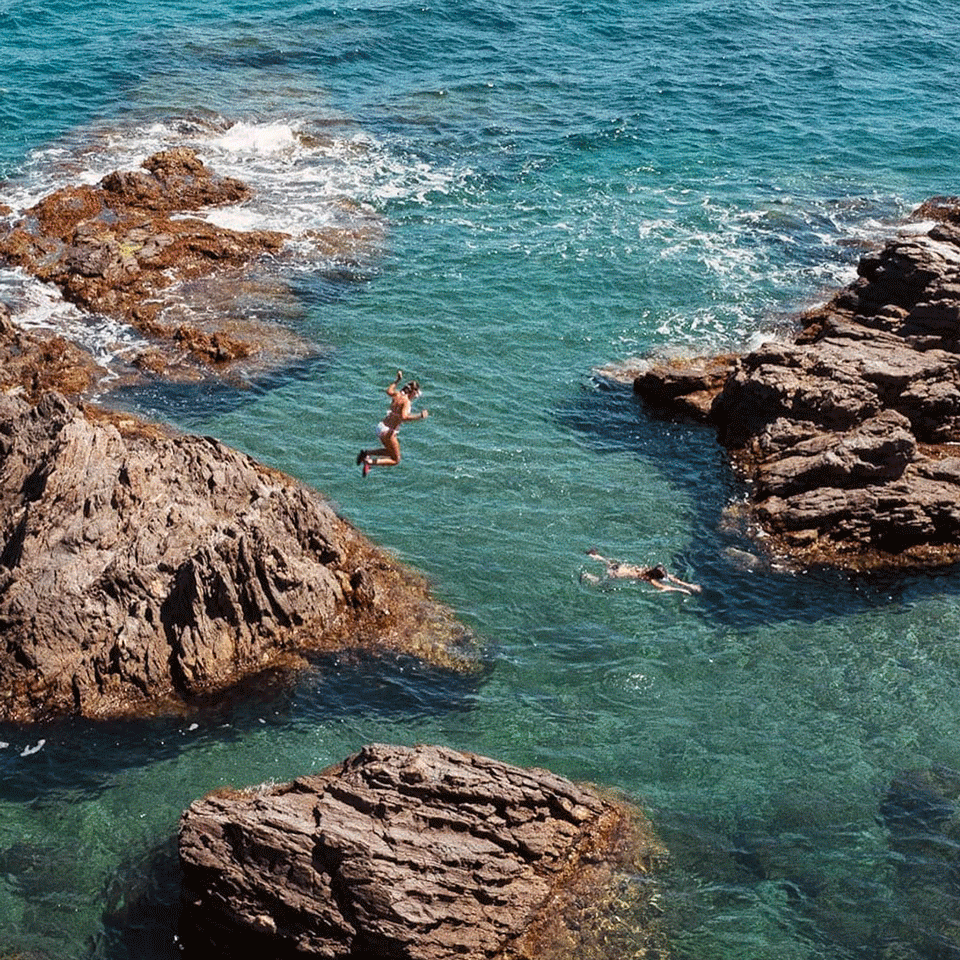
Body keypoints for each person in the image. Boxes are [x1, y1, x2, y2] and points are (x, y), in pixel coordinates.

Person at [356, 369, 429, 476]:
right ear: (413, 392)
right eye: (416, 394)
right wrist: (419, 416)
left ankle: (366, 453)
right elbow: (404, 417)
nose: (415, 397)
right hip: (389, 431)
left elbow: (388, 390)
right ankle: (368, 462)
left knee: (389, 452)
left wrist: (397, 380)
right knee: (396, 460)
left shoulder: (397, 395)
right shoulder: (406, 402)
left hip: (381, 426)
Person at [583, 548, 701, 594]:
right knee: (602, 584)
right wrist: (681, 590)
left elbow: (671, 578)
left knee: (608, 562)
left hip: (619, 567)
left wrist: (689, 585)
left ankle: (594, 556)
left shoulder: (649, 570)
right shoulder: (649, 579)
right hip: (615, 574)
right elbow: (664, 588)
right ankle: (588, 576)